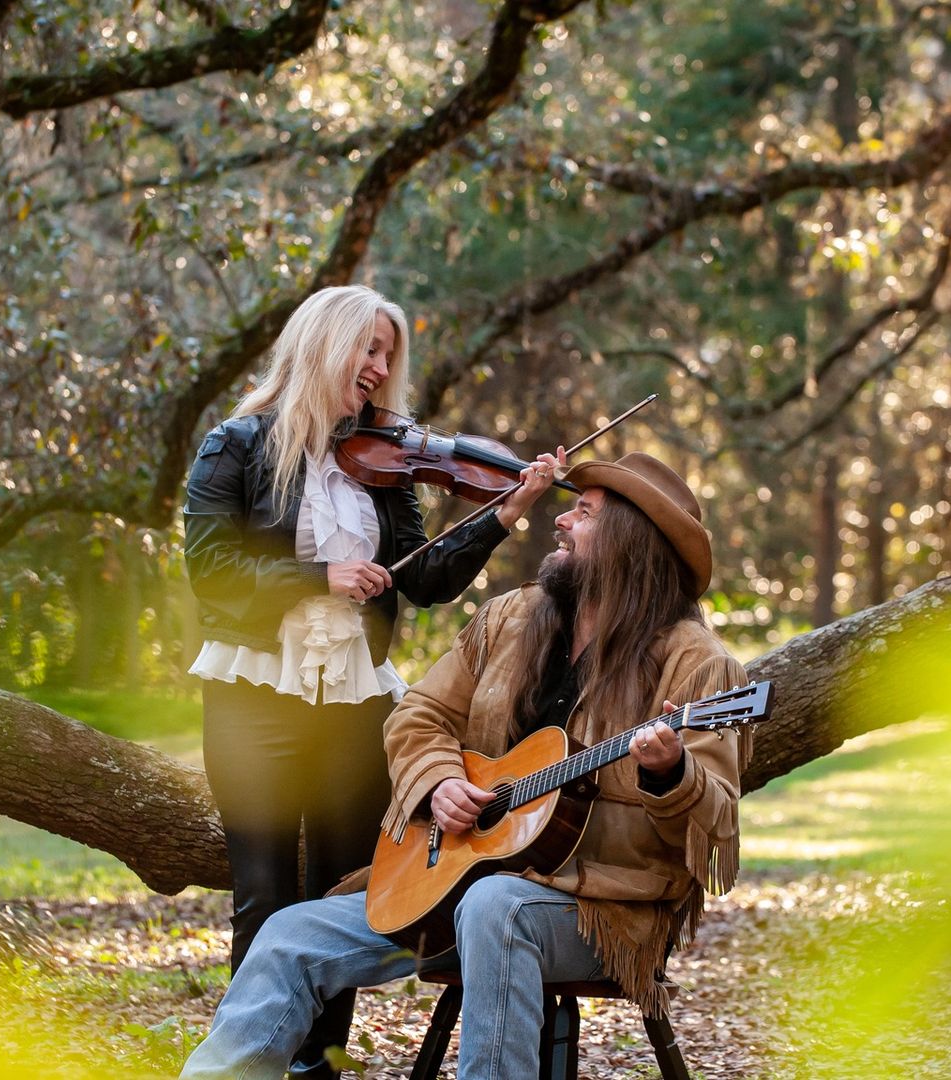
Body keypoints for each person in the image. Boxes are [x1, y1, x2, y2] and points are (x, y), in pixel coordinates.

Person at [181, 451, 749, 1080]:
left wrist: (670, 772)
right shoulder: (511, 618)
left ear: (629, 543)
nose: (560, 521)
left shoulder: (697, 665)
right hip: (455, 880)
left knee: (497, 907)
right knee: (292, 933)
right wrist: (441, 781)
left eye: (583, 514)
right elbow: (418, 714)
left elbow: (713, 823)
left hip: (603, 907)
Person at [182, 284, 561, 1075]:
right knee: (260, 894)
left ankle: (319, 1065)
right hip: (256, 697)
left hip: (356, 704)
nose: (380, 368)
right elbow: (210, 572)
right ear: (326, 344)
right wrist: (319, 577)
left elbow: (426, 580)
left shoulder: (383, 469)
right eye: (370, 349)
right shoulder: (238, 445)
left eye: (388, 355)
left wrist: (505, 511)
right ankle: (254, 1065)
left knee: (336, 895)